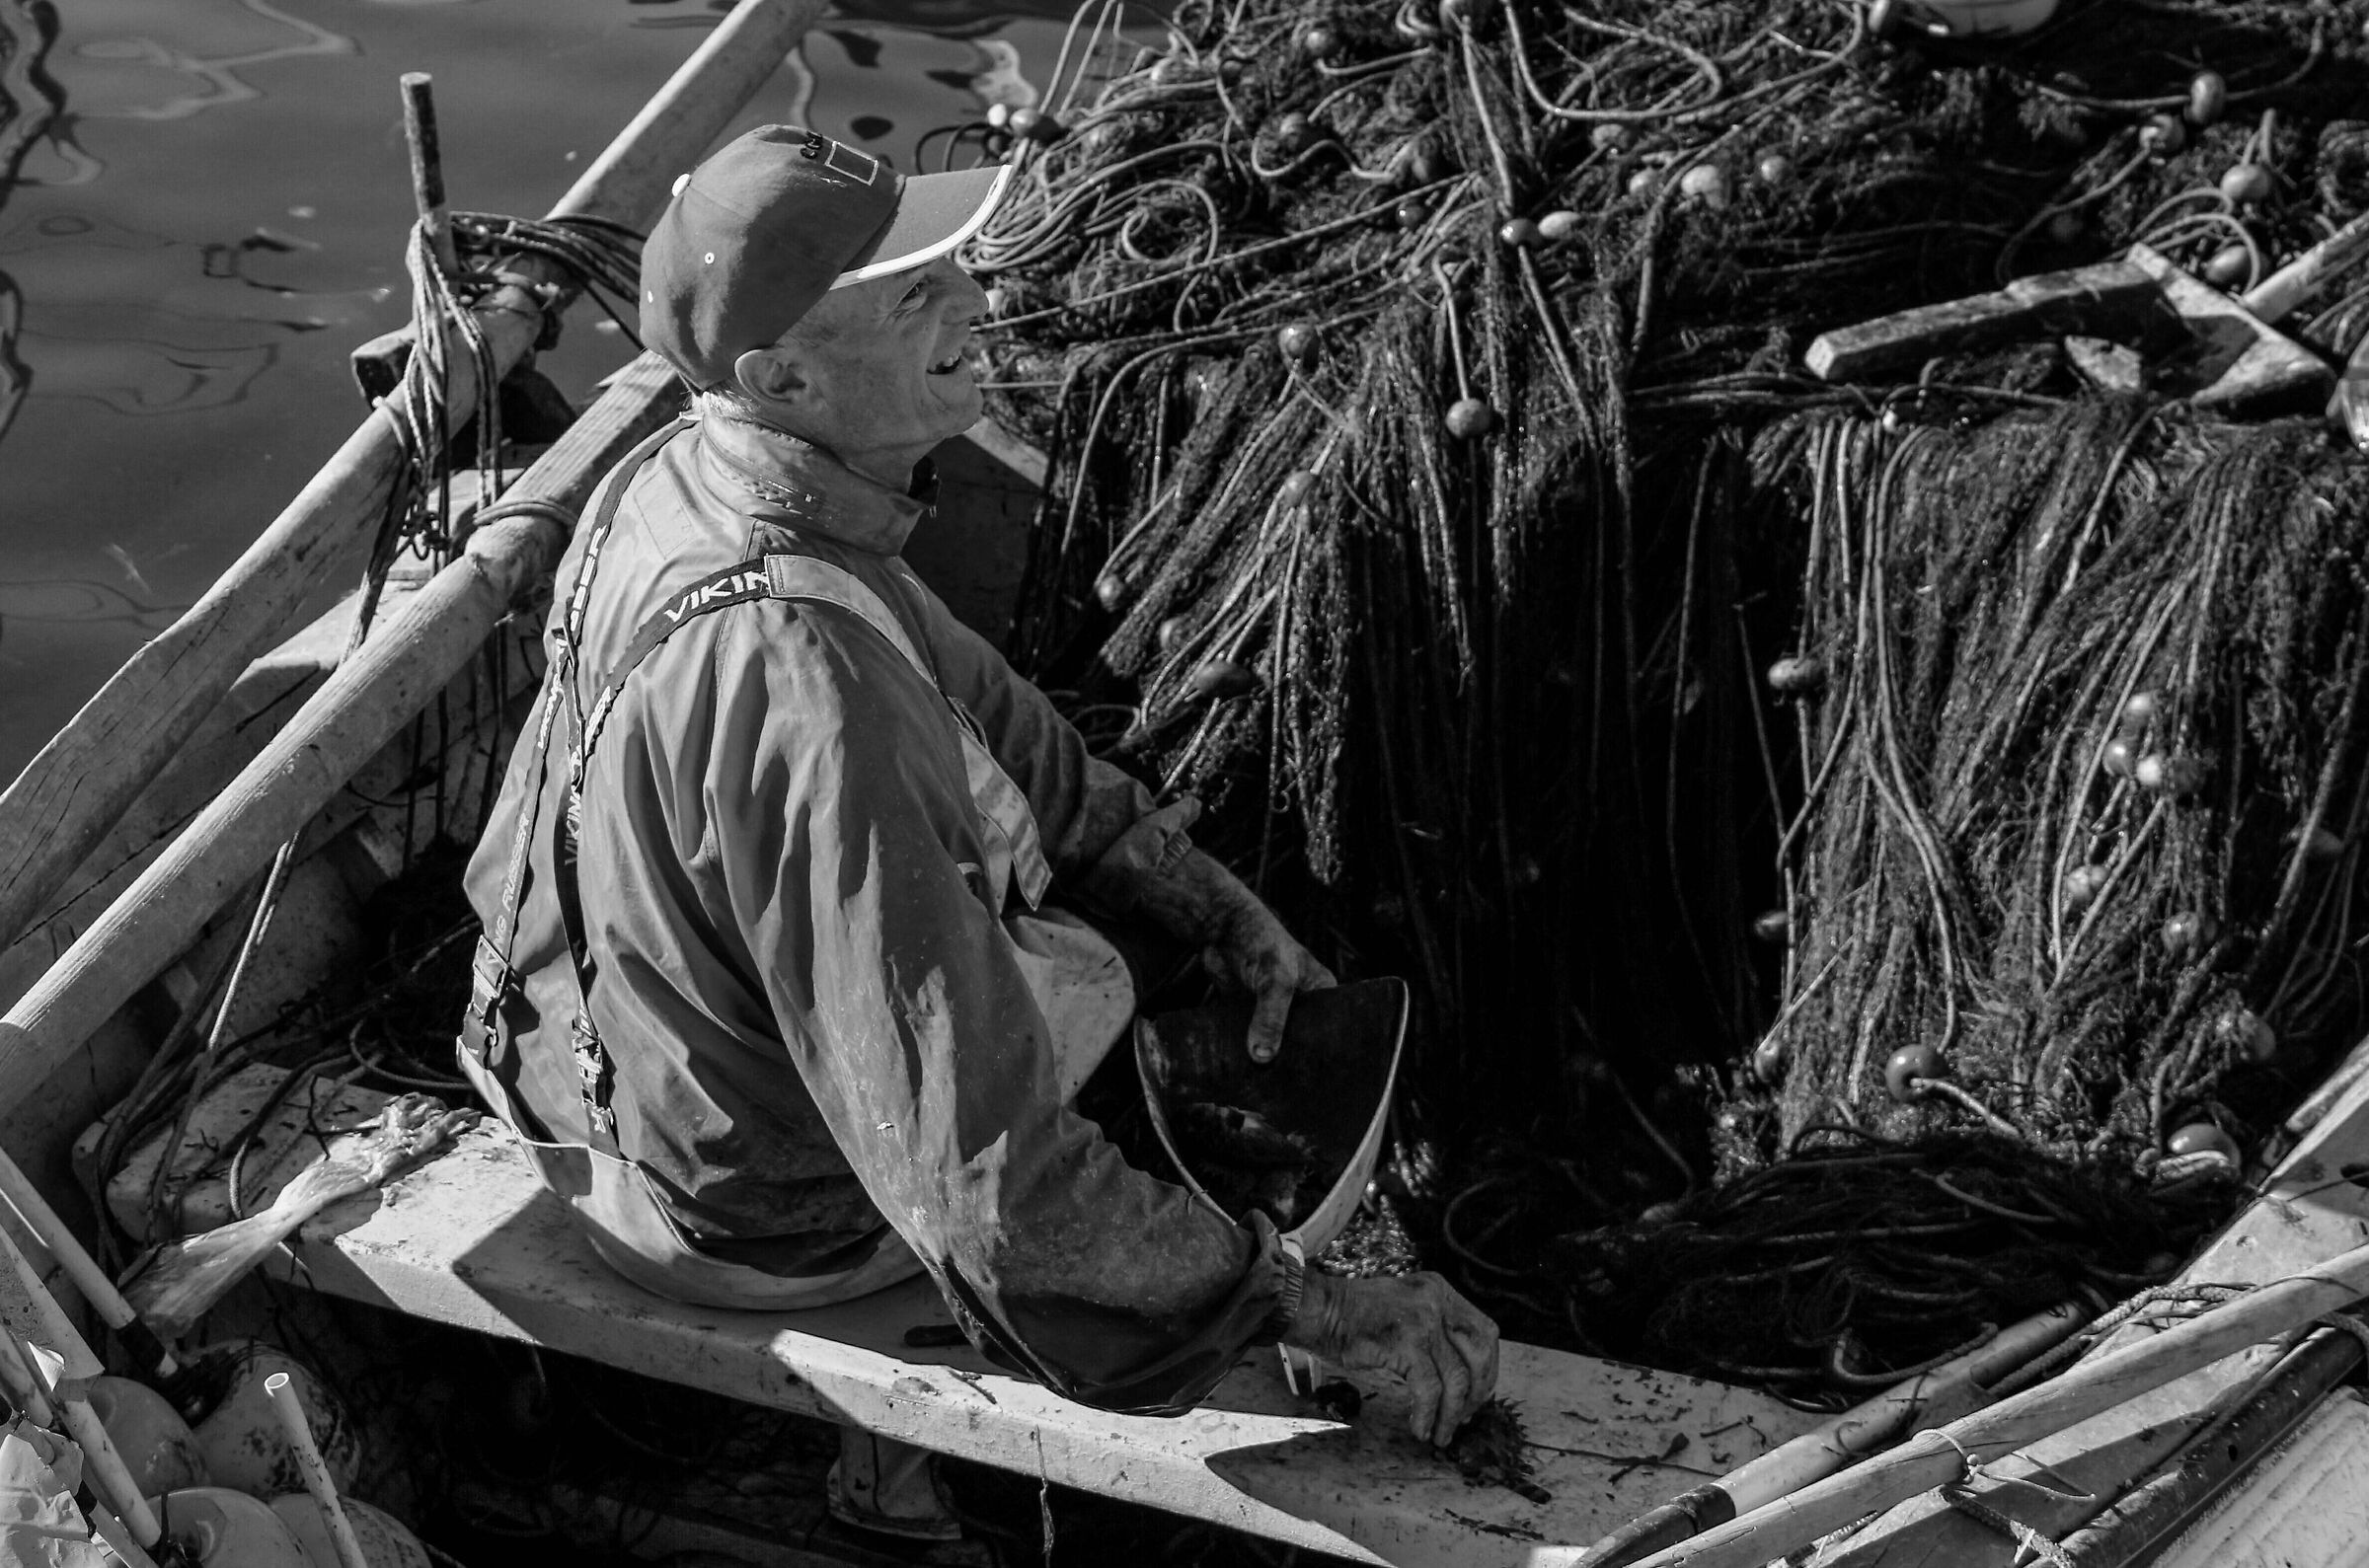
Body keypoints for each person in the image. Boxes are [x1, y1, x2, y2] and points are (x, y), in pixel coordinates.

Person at [458, 124, 1497, 1544]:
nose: (973, 305)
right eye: (913, 296)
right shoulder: (808, 683)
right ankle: (891, 1470)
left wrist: (1204, 898)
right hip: (743, 1225)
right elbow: (989, 1190)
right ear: (785, 375)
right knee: (1084, 983)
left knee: (1085, 919)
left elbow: (992, 707)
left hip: (567, 1091)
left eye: (948, 267)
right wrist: (1306, 1301)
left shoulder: (701, 478)